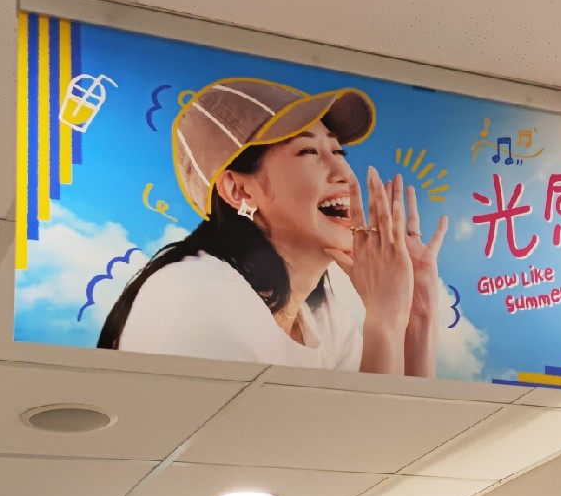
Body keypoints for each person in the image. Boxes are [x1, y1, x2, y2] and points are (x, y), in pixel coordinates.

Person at [98, 78, 448, 376]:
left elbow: (403, 427)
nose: (344, 173)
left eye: (339, 152)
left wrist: (418, 314)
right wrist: (384, 320)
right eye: (309, 152)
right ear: (239, 190)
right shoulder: (201, 298)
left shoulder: (323, 319)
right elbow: (366, 435)